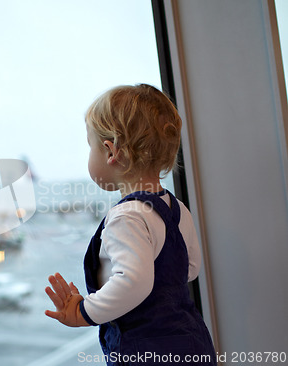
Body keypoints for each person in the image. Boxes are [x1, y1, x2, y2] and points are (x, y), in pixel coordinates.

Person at [44, 84, 216, 365]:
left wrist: (85, 311)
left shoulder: (127, 217)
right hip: (193, 340)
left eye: (91, 146)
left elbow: (134, 282)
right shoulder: (176, 208)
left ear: (110, 151)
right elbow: (190, 268)